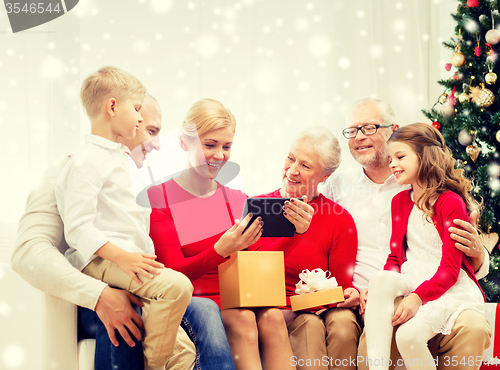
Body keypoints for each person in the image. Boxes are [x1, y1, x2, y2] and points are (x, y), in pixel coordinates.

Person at [11, 93, 197, 370]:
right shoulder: (72, 168)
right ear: (117, 116)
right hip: (90, 291)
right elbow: (27, 254)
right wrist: (99, 294)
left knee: (203, 310)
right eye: (150, 129)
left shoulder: (133, 182)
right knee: (130, 307)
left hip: (130, 281)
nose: (158, 144)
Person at [320, 98, 491, 370]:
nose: (358, 137)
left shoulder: (436, 194)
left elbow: (457, 261)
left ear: (393, 131)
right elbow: (390, 254)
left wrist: (479, 253)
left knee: (469, 327)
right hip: (377, 295)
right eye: (352, 130)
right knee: (385, 301)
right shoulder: (338, 186)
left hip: (436, 287)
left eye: (369, 127)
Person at [148, 98, 314, 370]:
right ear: (183, 142)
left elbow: (258, 262)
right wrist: (219, 252)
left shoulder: (236, 199)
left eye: (227, 146)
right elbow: (172, 273)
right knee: (243, 319)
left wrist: (296, 232)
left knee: (272, 316)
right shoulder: (161, 198)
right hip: (197, 301)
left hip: (238, 296)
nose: (220, 155)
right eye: (209, 144)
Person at [54, 66, 193, 369]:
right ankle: (153, 364)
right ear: (113, 107)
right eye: (137, 110)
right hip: (103, 261)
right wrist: (123, 257)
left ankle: (161, 357)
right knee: (177, 287)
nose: (141, 119)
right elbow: (77, 227)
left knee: (185, 353)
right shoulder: (87, 160)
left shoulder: (120, 159)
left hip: (126, 261)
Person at [364, 123, 485, 370]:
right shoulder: (399, 201)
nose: (392, 165)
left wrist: (418, 298)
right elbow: (395, 257)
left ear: (424, 156)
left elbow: (451, 269)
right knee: (379, 279)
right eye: (390, 159)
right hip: (412, 276)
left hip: (447, 283)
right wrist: (381, 288)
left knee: (409, 336)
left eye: (400, 156)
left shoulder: (449, 202)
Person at [249, 126, 361, 370]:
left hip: (322, 308)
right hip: (275, 311)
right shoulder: (259, 208)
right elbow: (251, 275)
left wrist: (348, 295)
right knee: (308, 325)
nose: (292, 170)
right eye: (290, 158)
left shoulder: (339, 219)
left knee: (344, 324)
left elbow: (341, 284)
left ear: (325, 176)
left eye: (305, 166)